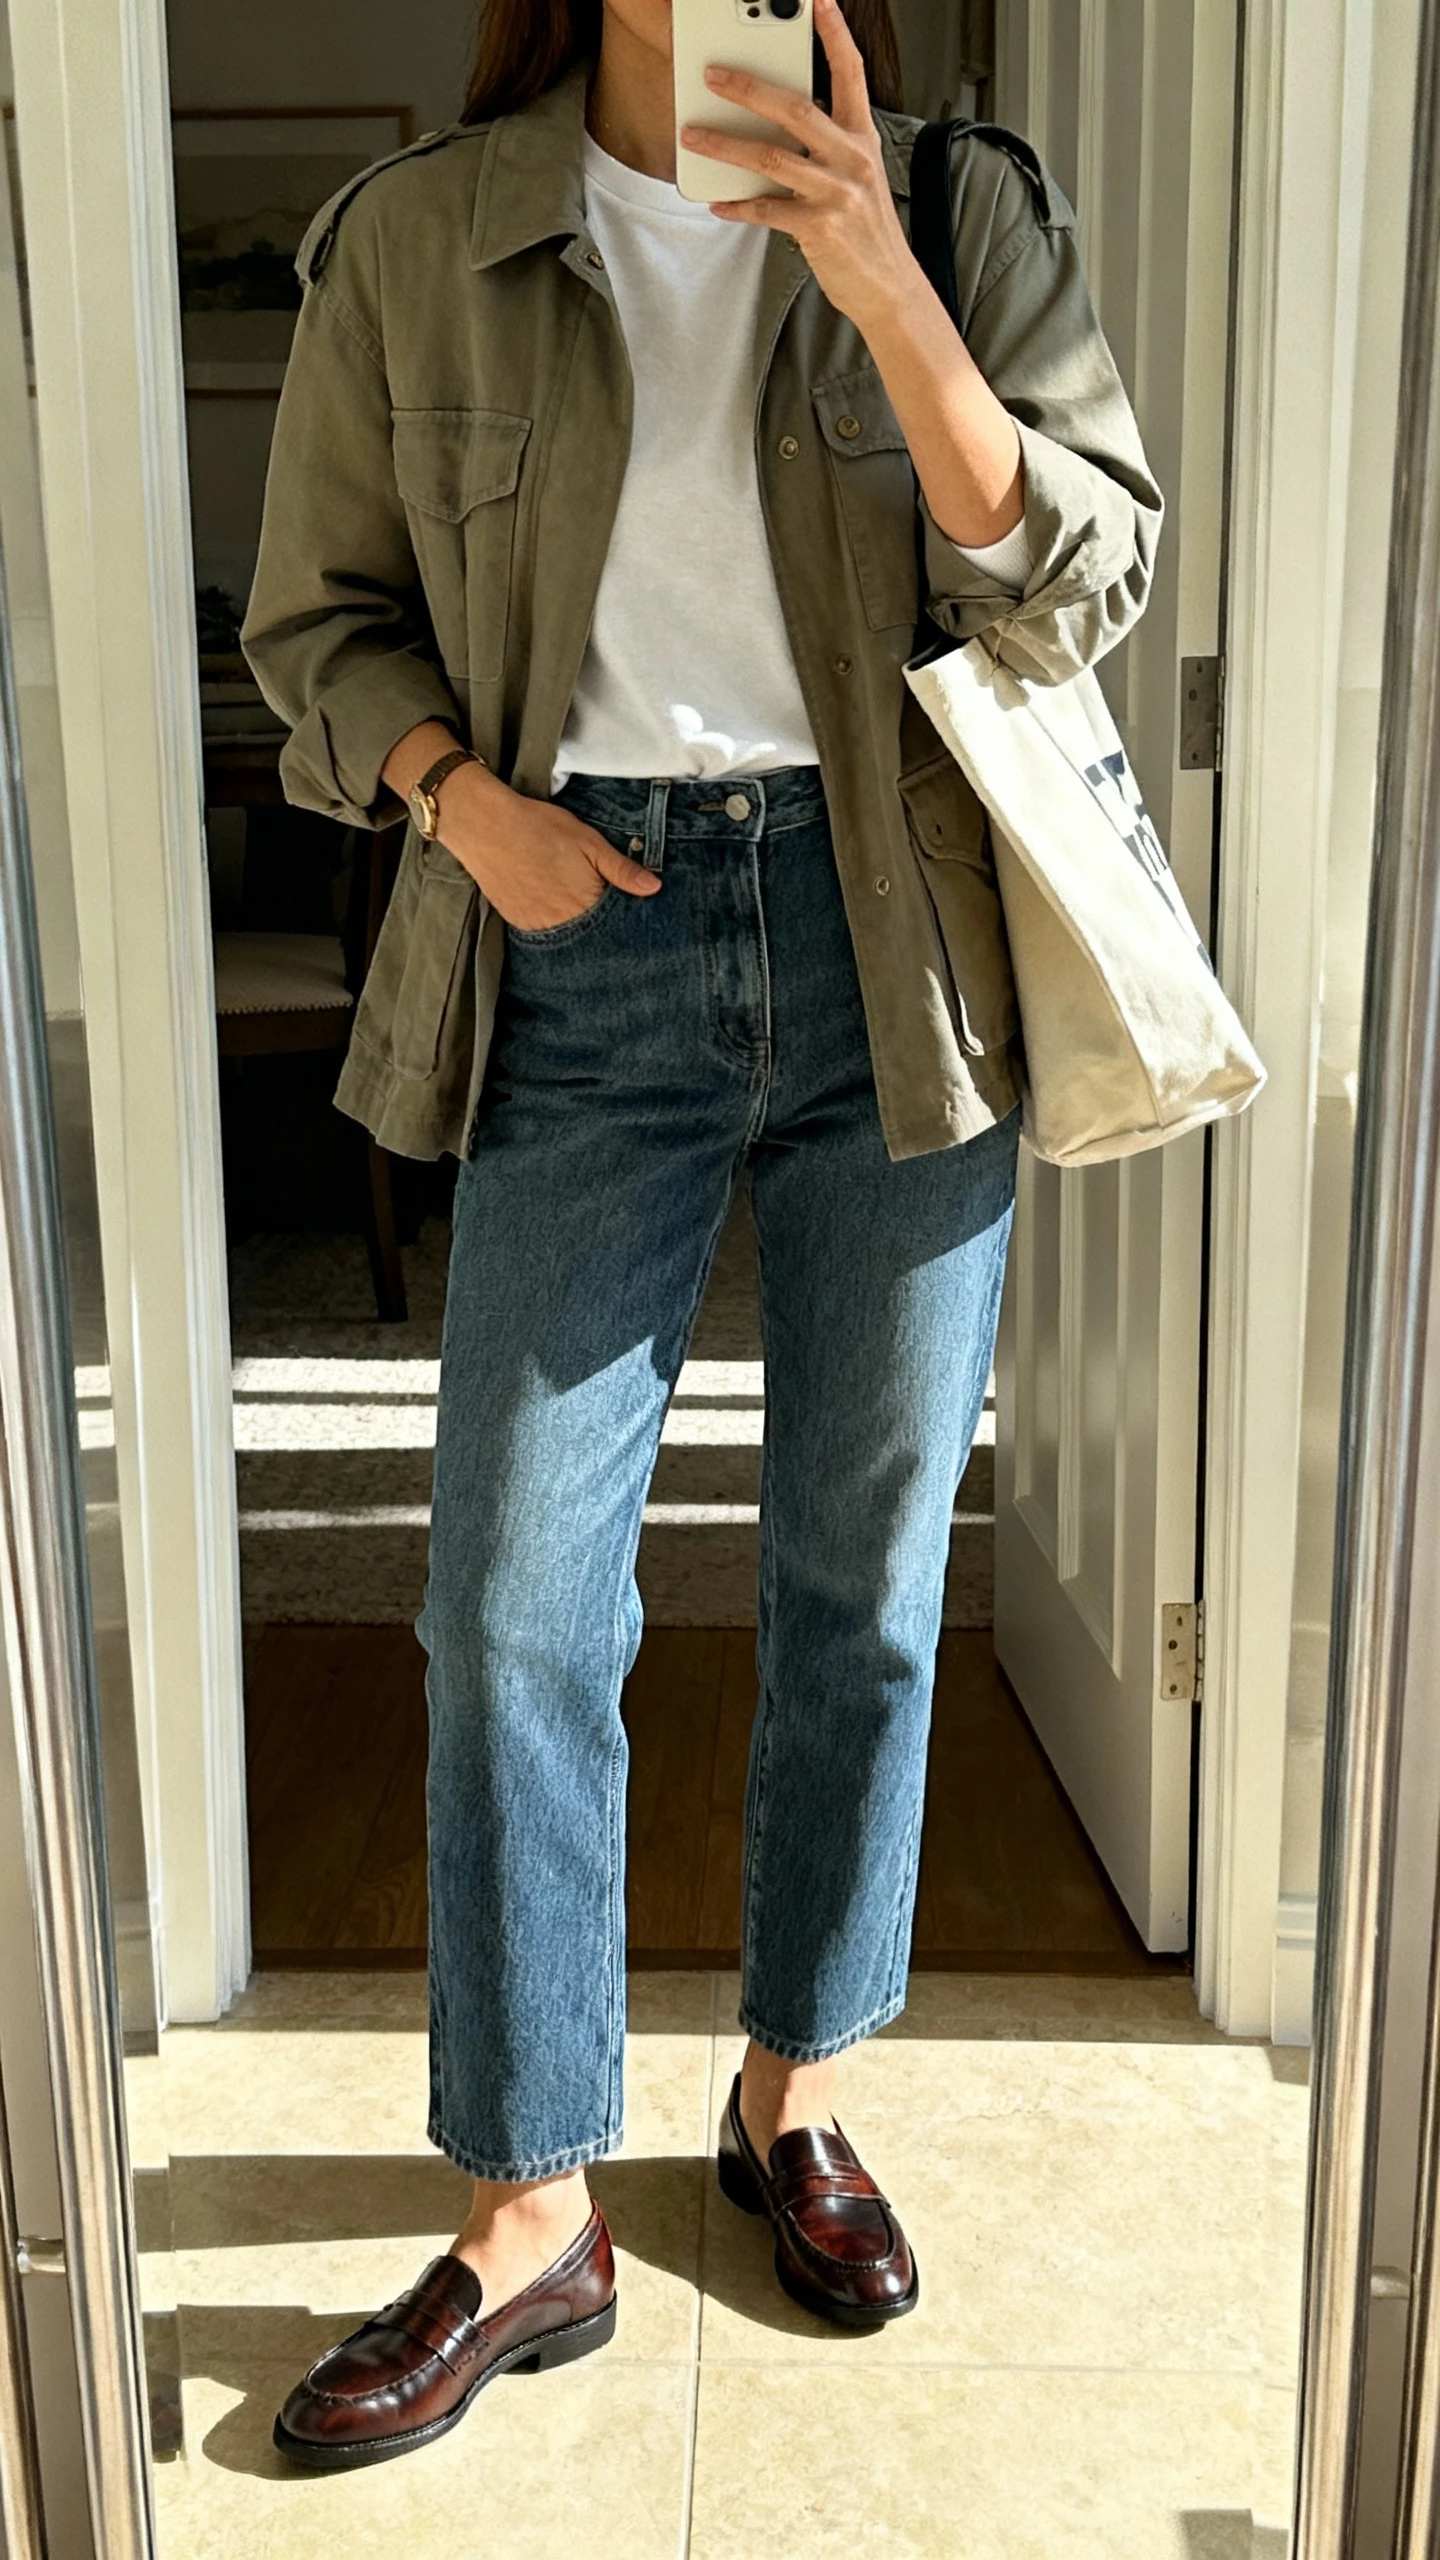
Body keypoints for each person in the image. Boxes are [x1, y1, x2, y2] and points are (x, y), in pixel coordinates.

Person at [243, 0, 1162, 2471]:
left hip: (902, 949)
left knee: (866, 1569)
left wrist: (882, 283)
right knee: (516, 1599)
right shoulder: (424, 238)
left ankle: (793, 2087)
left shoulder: (959, 201)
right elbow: (311, 629)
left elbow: (1087, 573)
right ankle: (531, 2206)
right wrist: (460, 804)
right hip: (585, 939)